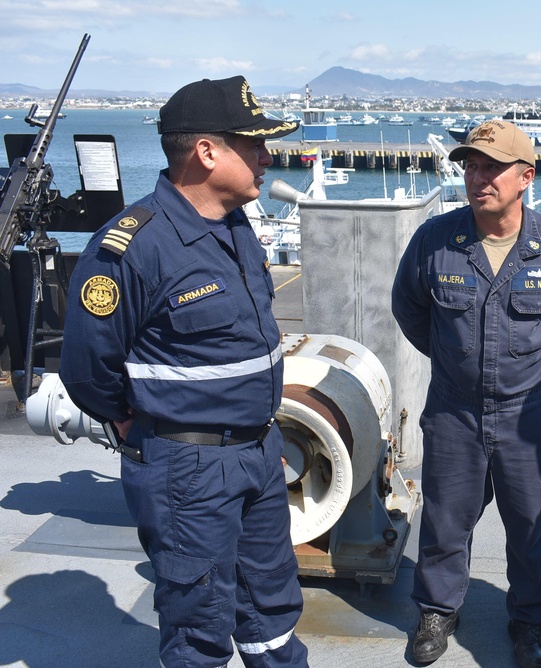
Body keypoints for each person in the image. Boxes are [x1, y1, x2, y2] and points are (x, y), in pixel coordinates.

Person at [59, 76, 308, 668]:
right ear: (206, 153)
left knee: (272, 609)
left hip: (256, 452)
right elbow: (87, 368)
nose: (267, 158)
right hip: (188, 470)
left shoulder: (235, 226)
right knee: (199, 627)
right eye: (255, 145)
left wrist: (249, 435)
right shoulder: (130, 248)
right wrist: (142, 425)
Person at [391, 120, 541, 667]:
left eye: (493, 167)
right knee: (445, 518)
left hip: (527, 412)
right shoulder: (435, 239)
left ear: (525, 176)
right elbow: (410, 309)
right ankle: (437, 609)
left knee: (531, 523)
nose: (478, 178)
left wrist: (523, 368)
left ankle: (530, 620)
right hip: (454, 408)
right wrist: (457, 360)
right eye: (471, 166)